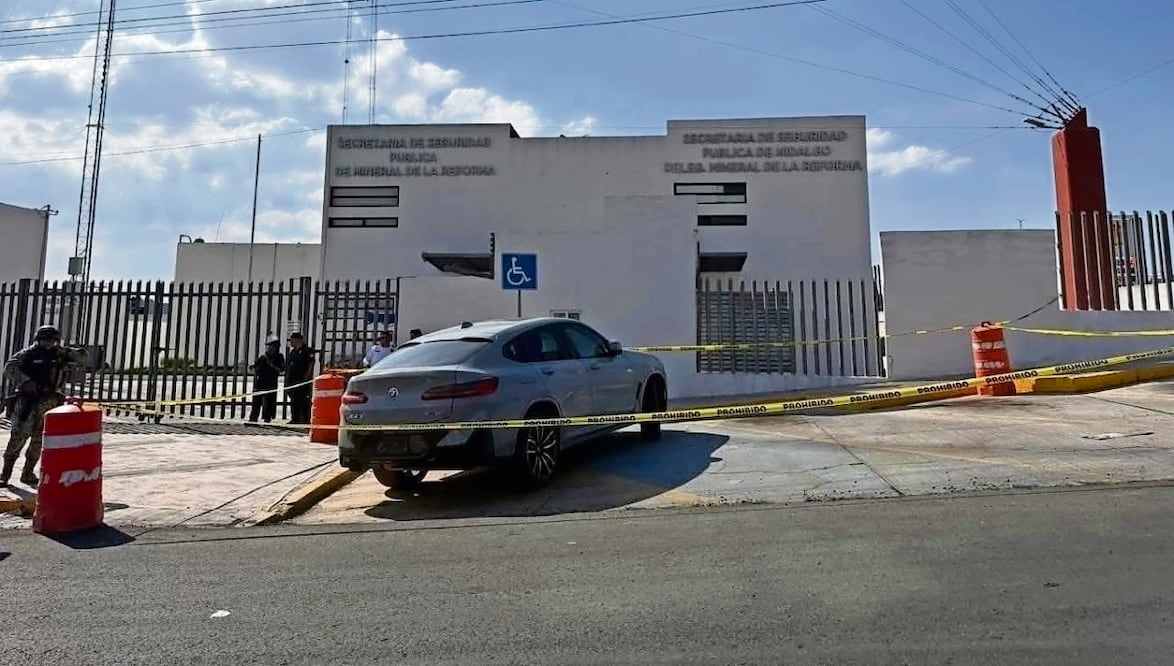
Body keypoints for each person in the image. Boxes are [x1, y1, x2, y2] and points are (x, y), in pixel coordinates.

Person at [2, 325, 86, 486]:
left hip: (50, 403)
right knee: (18, 437)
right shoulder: (27, 354)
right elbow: (9, 368)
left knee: (38, 440)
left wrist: (65, 351)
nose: (49, 343)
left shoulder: (61, 355)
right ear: (38, 340)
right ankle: (5, 474)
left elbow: (83, 357)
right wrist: (25, 381)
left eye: (52, 340)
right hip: (28, 402)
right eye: (45, 340)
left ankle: (28, 473)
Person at [248, 337, 285, 423]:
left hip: (271, 382)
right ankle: (253, 419)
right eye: (269, 347)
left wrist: (271, 364)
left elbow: (281, 369)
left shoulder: (279, 357)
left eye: (272, 347)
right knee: (256, 402)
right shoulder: (263, 357)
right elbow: (253, 368)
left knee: (269, 402)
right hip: (260, 382)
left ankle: (267, 419)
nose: (270, 348)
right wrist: (254, 367)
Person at [284, 332, 316, 424]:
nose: (291, 342)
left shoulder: (307, 351)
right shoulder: (293, 352)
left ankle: (304, 419)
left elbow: (311, 363)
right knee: (294, 400)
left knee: (303, 400)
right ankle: (295, 418)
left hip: (302, 380)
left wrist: (307, 376)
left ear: (298, 340)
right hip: (293, 380)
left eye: (292, 340)